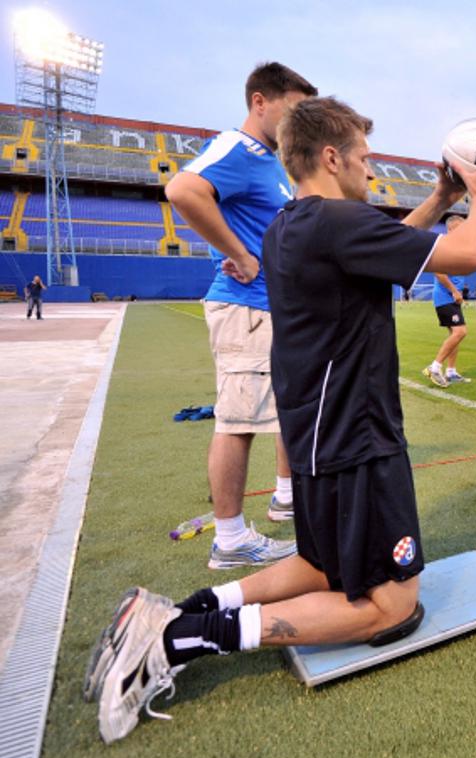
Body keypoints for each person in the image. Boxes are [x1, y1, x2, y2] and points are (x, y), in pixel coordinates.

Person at [86, 95, 476, 744]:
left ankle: (174, 612)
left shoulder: (293, 224)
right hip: (358, 437)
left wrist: (441, 198)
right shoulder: (337, 226)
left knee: (319, 564)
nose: (372, 172)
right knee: (393, 605)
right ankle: (179, 640)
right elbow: (471, 256)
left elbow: (393, 241)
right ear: (331, 156)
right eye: (366, 159)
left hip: (318, 434)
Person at [165, 63, 317, 569]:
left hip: (272, 309)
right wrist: (241, 253)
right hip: (245, 306)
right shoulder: (237, 147)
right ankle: (230, 538)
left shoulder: (271, 162)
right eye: (292, 109)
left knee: (278, 412)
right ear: (259, 102)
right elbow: (183, 191)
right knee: (237, 423)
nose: (299, 121)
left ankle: (284, 498)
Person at [423, 216, 471, 387]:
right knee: (460, 332)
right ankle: (434, 367)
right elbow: (438, 272)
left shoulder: (458, 248)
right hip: (445, 297)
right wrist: (454, 291)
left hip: (451, 298)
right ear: (450, 229)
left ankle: (450, 372)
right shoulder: (444, 246)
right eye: (460, 227)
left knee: (454, 335)